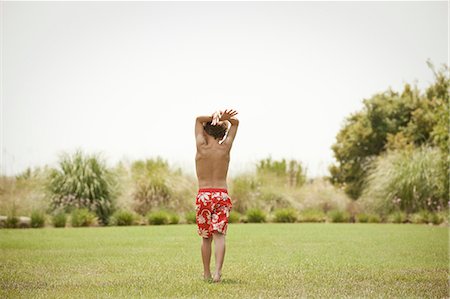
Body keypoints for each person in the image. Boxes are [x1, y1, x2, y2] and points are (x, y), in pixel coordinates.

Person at [194, 109, 239, 283]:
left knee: (206, 237)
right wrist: (225, 119)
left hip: (204, 195)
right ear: (221, 132)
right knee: (220, 236)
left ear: (206, 130)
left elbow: (198, 119)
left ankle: (206, 274)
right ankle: (218, 273)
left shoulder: (201, 146)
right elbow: (236, 123)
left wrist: (215, 117)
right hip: (221, 195)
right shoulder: (225, 147)